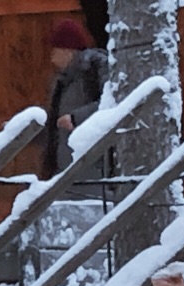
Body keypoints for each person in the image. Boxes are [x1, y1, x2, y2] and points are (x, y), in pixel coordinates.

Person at [42, 19, 107, 177]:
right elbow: (54, 126)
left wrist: (76, 118)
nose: (51, 58)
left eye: (54, 51)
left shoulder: (96, 69)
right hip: (66, 171)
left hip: (92, 172)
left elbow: (112, 105)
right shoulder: (62, 82)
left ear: (67, 51)